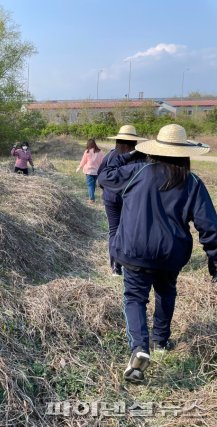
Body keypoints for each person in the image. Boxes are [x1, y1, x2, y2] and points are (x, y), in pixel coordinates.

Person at [98, 124, 217, 385]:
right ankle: (161, 340)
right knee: (166, 292)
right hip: (170, 255)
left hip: (134, 251)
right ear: (185, 153)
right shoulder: (192, 182)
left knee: (134, 298)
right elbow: (208, 225)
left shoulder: (136, 171)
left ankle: (139, 348)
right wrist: (213, 257)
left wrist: (131, 153)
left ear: (155, 149)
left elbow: (104, 175)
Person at [97, 125, 148, 275]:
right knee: (128, 230)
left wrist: (108, 191)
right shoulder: (142, 157)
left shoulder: (111, 155)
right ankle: (130, 261)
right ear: (135, 142)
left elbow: (101, 177)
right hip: (130, 199)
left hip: (110, 198)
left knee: (114, 231)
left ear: (118, 140)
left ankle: (115, 267)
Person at [76, 138, 105, 203]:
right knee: (94, 185)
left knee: (90, 185)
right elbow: (103, 162)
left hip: (89, 171)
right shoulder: (100, 152)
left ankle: (92, 199)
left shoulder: (87, 151)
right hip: (97, 172)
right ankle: (97, 198)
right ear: (95, 144)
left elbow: (83, 161)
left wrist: (79, 167)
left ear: (88, 144)